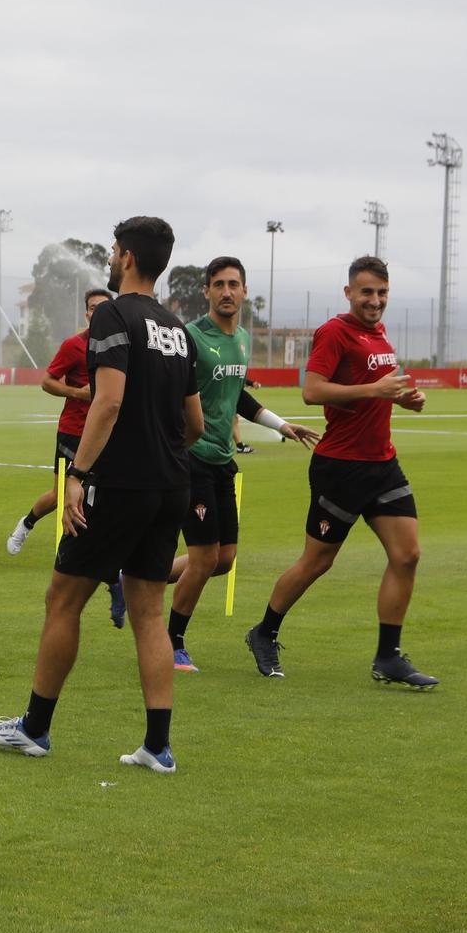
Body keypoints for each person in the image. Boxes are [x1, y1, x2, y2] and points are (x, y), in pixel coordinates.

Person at [0, 216, 203, 774]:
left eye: (112, 250)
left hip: (119, 485)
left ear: (125, 256)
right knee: (150, 613)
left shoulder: (112, 314)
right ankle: (157, 746)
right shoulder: (178, 328)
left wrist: (77, 473)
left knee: (63, 597)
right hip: (171, 483)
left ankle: (34, 728)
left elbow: (107, 403)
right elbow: (195, 422)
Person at [248, 256, 436, 688]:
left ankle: (388, 657)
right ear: (348, 292)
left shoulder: (379, 335)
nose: (375, 300)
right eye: (367, 292)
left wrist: (402, 399)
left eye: (382, 293)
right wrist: (376, 389)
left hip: (382, 463)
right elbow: (312, 391)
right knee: (318, 561)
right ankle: (265, 631)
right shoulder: (334, 332)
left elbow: (382, 389)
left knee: (407, 555)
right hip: (341, 467)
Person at [163, 258, 321, 670]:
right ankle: (172, 641)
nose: (227, 291)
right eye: (219, 284)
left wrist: (281, 425)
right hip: (191, 458)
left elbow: (238, 399)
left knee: (224, 559)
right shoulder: (192, 337)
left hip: (222, 461)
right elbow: (170, 394)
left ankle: (140, 577)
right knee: (202, 559)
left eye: (234, 284)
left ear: (245, 291)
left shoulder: (244, 340)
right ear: (207, 292)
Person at [6, 288, 110, 552]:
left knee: (105, 493)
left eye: (103, 307)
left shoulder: (121, 345)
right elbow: (47, 382)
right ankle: (26, 524)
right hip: (73, 431)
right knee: (60, 495)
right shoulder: (73, 346)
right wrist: (78, 393)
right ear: (86, 313)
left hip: (107, 430)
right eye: (93, 307)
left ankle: (95, 549)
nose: (97, 312)